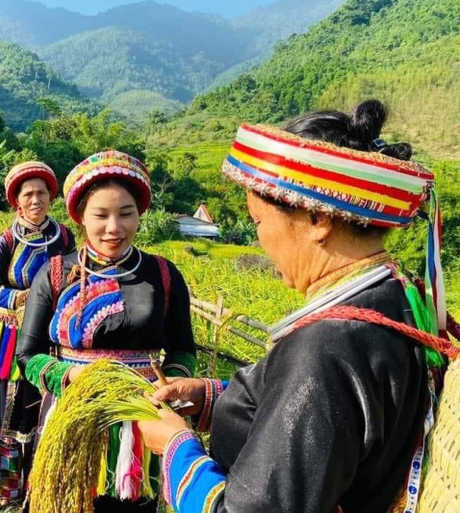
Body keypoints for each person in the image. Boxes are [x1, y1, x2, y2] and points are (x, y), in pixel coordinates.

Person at [137, 99, 450, 513]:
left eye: (258, 221)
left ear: (318, 218)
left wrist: (175, 444)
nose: (261, 241)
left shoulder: (326, 346)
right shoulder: (398, 298)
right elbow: (333, 421)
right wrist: (216, 398)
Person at [17, 150, 198, 512]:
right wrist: (70, 377)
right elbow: (27, 356)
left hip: (142, 421)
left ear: (140, 215)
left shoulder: (163, 275)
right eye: (101, 215)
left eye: (126, 214)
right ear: (80, 216)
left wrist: (170, 384)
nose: (114, 228)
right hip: (72, 414)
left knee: (135, 503)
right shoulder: (53, 274)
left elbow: (183, 350)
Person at [0, 161, 75, 505]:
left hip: (48, 335)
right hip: (9, 335)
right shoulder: (6, 241)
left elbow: (72, 275)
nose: (36, 199)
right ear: (17, 201)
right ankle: (6, 487)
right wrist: (21, 296)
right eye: (28, 194)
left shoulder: (64, 236)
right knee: (3, 407)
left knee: (37, 406)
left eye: (42, 193)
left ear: (51, 197)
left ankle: (38, 483)